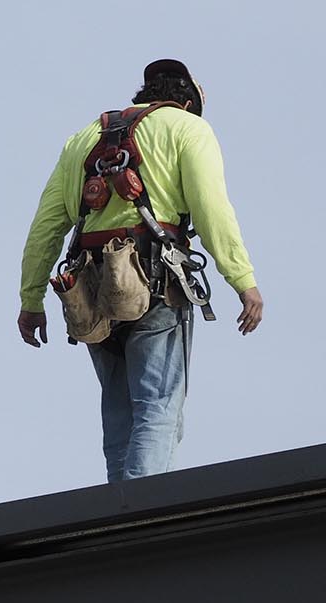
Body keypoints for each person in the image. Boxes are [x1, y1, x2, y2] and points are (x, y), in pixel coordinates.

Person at [17, 58, 264, 482]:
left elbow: (46, 226)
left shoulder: (83, 139)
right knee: (158, 405)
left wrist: (31, 299)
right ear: (187, 103)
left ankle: (118, 516)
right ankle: (142, 516)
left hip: (89, 289)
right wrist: (243, 281)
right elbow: (211, 211)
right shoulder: (188, 128)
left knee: (119, 412)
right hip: (153, 281)